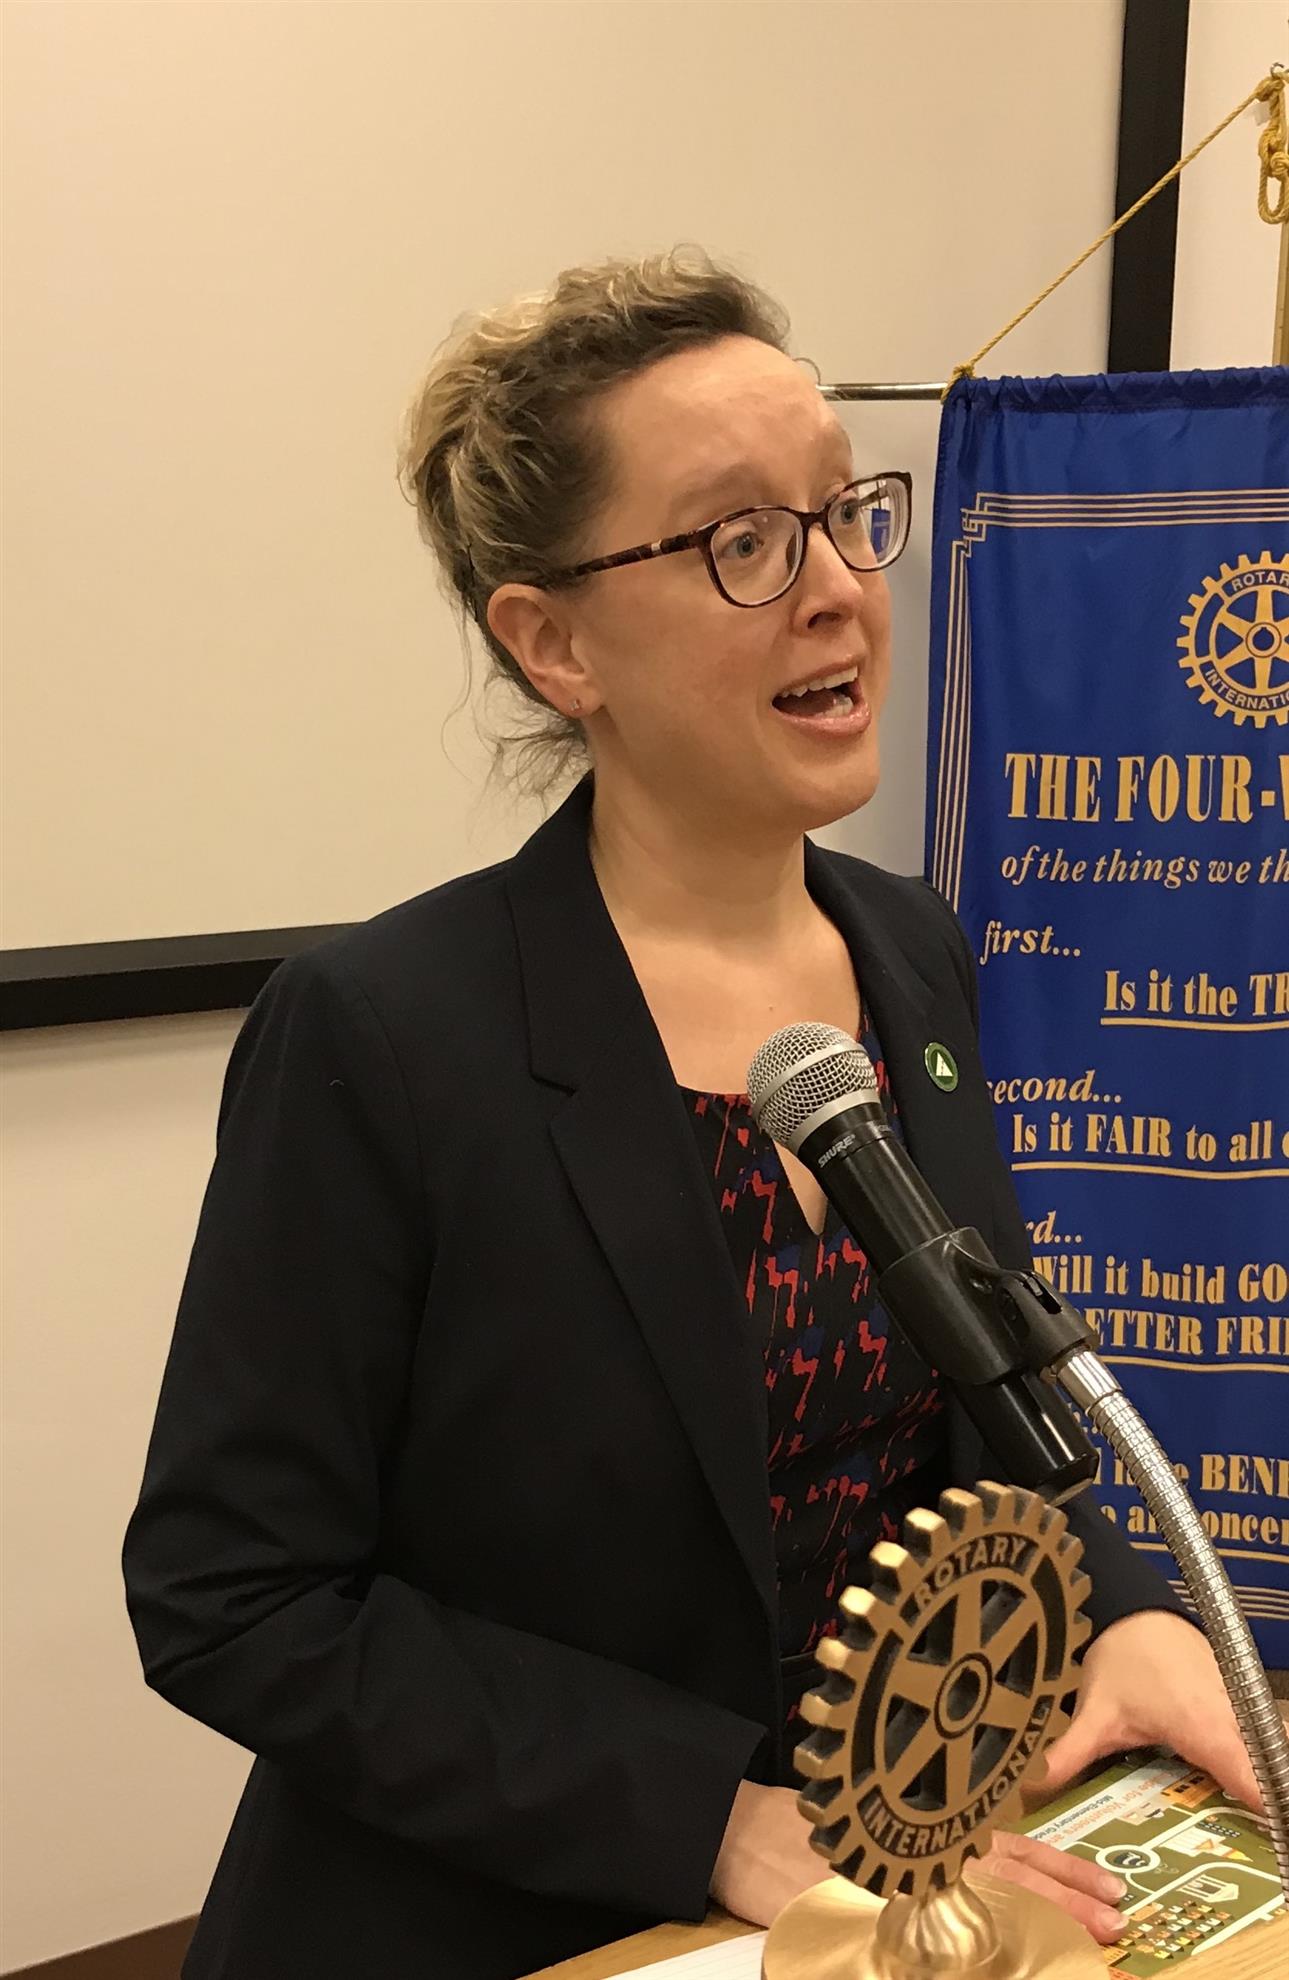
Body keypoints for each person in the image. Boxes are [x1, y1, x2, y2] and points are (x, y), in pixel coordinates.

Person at [122, 248, 1256, 1980]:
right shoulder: (386, 1032)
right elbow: (235, 1596)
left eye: (844, 514)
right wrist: (704, 1817)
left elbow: (980, 1419)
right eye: (740, 540)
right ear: (552, 641)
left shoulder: (910, 956)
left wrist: (1125, 1612)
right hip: (513, 1917)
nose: (837, 591)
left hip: (899, 1873)